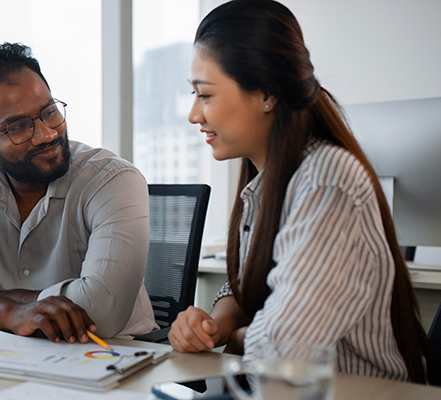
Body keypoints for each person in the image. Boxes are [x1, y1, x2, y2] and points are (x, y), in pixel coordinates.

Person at [168, 0, 434, 383]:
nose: (194, 114)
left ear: (266, 95)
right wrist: (217, 323)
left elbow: (285, 348)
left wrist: (241, 336)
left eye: (205, 95)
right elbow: (247, 277)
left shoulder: (327, 181)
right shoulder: (265, 182)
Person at [0, 42, 158, 343]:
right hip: (14, 352)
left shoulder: (113, 180)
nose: (47, 134)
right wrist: (8, 313)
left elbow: (99, 312)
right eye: (18, 127)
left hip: (119, 357)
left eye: (49, 112)